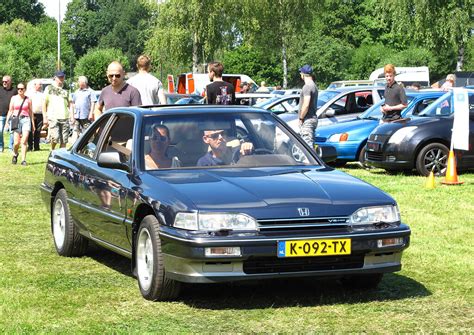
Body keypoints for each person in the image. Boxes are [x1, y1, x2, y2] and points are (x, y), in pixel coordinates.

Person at [5, 83, 34, 165]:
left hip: (26, 120)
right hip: (15, 120)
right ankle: (15, 154)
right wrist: (7, 121)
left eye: (22, 88)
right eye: (18, 89)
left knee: (24, 141)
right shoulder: (13, 98)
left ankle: (23, 160)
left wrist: (33, 124)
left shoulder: (28, 99)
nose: (20, 90)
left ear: (25, 89)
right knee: (16, 143)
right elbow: (10, 110)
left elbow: (31, 112)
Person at [43, 70, 72, 150]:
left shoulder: (66, 90)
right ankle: (52, 150)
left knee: (64, 139)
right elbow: (44, 104)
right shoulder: (49, 88)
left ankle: (61, 156)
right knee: (55, 137)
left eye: (62, 77)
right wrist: (45, 117)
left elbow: (70, 104)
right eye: (59, 77)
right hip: (53, 117)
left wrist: (72, 116)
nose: (61, 79)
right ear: (55, 78)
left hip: (65, 117)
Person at [297, 64, 318, 148]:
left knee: (307, 147)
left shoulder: (307, 86)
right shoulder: (314, 86)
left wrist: (301, 118)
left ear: (303, 74)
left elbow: (306, 104)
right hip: (313, 118)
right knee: (311, 145)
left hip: (307, 120)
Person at [71, 76, 96, 140]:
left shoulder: (90, 91)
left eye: (79, 81)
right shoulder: (76, 92)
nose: (78, 83)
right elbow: (73, 103)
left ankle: (88, 145)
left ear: (83, 82)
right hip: (77, 116)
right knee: (77, 133)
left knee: (87, 133)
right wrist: (72, 116)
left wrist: (91, 113)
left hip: (86, 116)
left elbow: (93, 102)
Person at [0, 75, 17, 152]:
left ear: (10, 81)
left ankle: (11, 147)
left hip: (12, 115)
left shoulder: (15, 91)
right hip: (1, 114)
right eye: (3, 81)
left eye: (6, 81)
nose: (4, 83)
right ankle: (1, 146)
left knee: (12, 132)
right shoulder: (0, 90)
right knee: (0, 131)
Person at [28, 80, 45, 151]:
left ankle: (36, 146)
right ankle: (30, 146)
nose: (41, 86)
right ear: (35, 85)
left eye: (41, 85)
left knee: (38, 131)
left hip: (40, 114)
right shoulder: (30, 94)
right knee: (30, 130)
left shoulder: (42, 94)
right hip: (32, 114)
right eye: (39, 84)